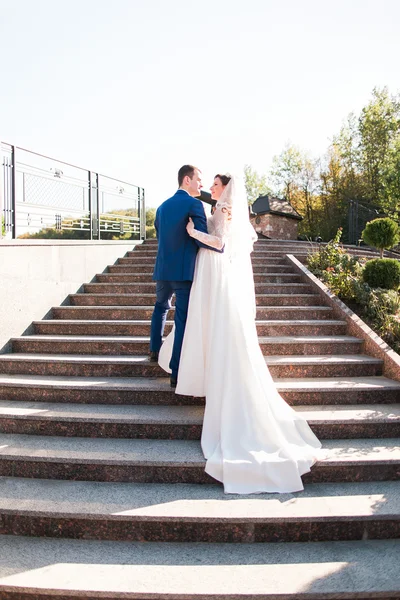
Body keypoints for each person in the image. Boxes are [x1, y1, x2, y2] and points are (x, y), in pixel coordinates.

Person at [158, 173, 321, 494]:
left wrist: (194, 233)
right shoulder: (220, 208)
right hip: (209, 275)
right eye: (212, 184)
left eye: (216, 184)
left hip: (215, 273)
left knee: (219, 332)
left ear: (226, 188)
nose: (212, 188)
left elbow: (220, 244)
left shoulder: (226, 211)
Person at [150, 165, 223, 388]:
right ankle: (176, 370)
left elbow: (159, 234)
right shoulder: (194, 204)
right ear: (187, 180)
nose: (201, 184)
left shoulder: (162, 207)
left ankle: (154, 349)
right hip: (183, 272)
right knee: (181, 320)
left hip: (163, 270)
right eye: (198, 180)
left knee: (160, 308)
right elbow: (200, 238)